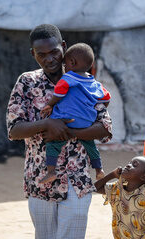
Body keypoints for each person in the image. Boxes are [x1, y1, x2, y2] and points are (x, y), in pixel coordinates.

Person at [6, 24, 112, 239]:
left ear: (63, 46)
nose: (50, 58)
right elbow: (14, 129)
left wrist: (72, 132)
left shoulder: (88, 81)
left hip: (78, 180)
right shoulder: (27, 83)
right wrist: (46, 124)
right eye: (42, 54)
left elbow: (105, 127)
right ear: (33, 54)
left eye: (55, 51)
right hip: (39, 179)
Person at [40, 42, 110, 184]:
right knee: (91, 145)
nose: (64, 67)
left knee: (52, 144)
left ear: (72, 62)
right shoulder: (94, 82)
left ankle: (51, 171)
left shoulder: (68, 78)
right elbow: (106, 98)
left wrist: (50, 104)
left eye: (65, 64)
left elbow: (59, 92)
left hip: (66, 120)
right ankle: (99, 170)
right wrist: (93, 109)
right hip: (86, 122)